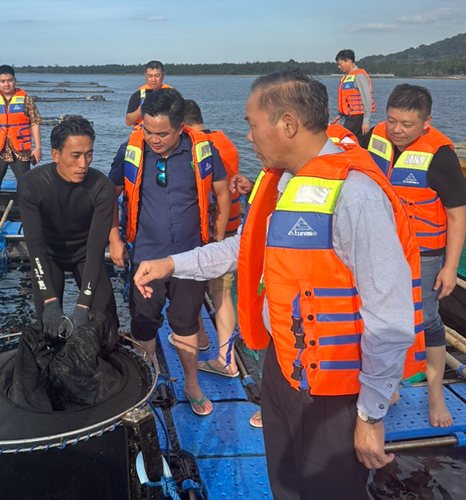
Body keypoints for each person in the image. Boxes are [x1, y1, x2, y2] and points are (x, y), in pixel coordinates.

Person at [132, 70, 426, 499]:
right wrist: (170, 264)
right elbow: (244, 249)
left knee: (331, 490)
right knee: (286, 484)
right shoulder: (288, 181)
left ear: (287, 124)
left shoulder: (356, 194)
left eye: (252, 124)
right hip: (284, 368)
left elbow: (390, 313)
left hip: (330, 389)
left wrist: (371, 414)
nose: (248, 137)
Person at [109, 88, 230, 417]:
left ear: (180, 127)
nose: (153, 139)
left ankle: (191, 384)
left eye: (161, 133)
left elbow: (221, 192)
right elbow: (110, 197)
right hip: (145, 257)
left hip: (190, 259)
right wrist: (115, 239)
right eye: (147, 130)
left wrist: (218, 241)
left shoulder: (203, 152)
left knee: (186, 323)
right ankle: (147, 381)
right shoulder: (131, 151)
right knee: (144, 322)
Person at [362, 83, 466, 428]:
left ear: (426, 123)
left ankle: (435, 395)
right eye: (392, 120)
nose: (397, 130)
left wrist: (450, 268)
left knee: (428, 321)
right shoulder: (374, 137)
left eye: (407, 124)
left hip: (425, 253)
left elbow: (456, 215)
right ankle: (388, 386)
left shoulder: (441, 155)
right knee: (376, 317)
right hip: (380, 247)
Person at [19, 116, 117, 337]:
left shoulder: (102, 188)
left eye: (88, 154)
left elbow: (95, 250)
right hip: (49, 255)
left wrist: (82, 306)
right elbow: (35, 246)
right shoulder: (32, 184)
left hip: (85, 255)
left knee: (106, 322)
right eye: (75, 156)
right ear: (56, 155)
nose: (83, 164)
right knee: (47, 327)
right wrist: (50, 300)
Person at [183, 99, 241, 377]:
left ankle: (204, 341)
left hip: (209, 229)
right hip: (231, 227)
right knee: (223, 294)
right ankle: (224, 355)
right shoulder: (225, 140)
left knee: (192, 285)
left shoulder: (196, 147)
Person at [0, 64, 42, 229]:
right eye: (2, 81)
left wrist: (37, 147)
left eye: (10, 80)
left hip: (20, 149)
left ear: (15, 80)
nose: (6, 84)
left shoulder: (26, 100)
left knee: (25, 184)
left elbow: (35, 122)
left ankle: (28, 216)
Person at [332, 49, 375, 141]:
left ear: (348, 61)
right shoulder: (347, 77)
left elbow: (366, 100)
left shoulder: (359, 76)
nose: (339, 67)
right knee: (357, 142)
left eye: (340, 64)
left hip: (357, 117)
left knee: (341, 139)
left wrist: (366, 122)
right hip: (350, 117)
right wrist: (340, 115)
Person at [125, 60, 171, 130]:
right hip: (142, 134)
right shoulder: (138, 95)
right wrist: (142, 109)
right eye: (150, 76)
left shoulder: (171, 95)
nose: (153, 79)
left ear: (163, 75)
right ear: (145, 76)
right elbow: (128, 122)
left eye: (157, 76)